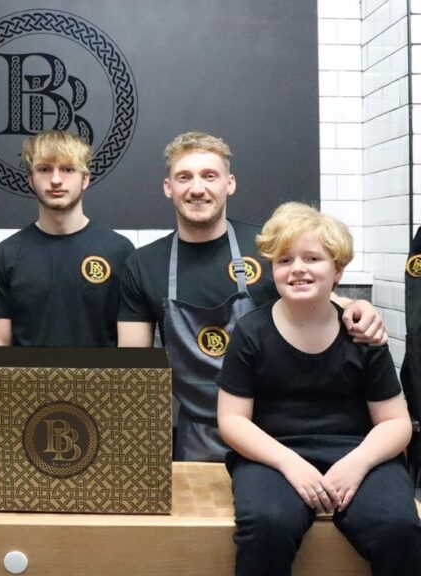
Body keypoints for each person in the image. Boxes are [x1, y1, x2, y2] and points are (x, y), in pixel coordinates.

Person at [117, 131, 387, 461]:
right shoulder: (143, 264)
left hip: (274, 433)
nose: (197, 188)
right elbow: (132, 371)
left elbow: (321, 303)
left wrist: (358, 307)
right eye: (184, 177)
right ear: (168, 187)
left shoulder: (268, 249)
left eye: (209, 176)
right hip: (196, 438)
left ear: (229, 184)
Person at [217, 202, 421, 576]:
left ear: (338, 270)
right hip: (273, 456)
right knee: (267, 526)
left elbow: (395, 422)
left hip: (360, 452)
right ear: (273, 271)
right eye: (285, 260)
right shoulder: (250, 333)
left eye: (313, 258)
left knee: (398, 527)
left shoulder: (363, 334)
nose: (298, 268)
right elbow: (232, 420)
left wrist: (356, 464)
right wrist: (290, 464)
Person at [0, 129, 134, 346]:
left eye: (67, 169)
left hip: (100, 380)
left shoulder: (120, 251)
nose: (55, 180)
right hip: (27, 380)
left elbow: (129, 348)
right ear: (30, 180)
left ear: (85, 179)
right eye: (44, 169)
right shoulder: (7, 254)